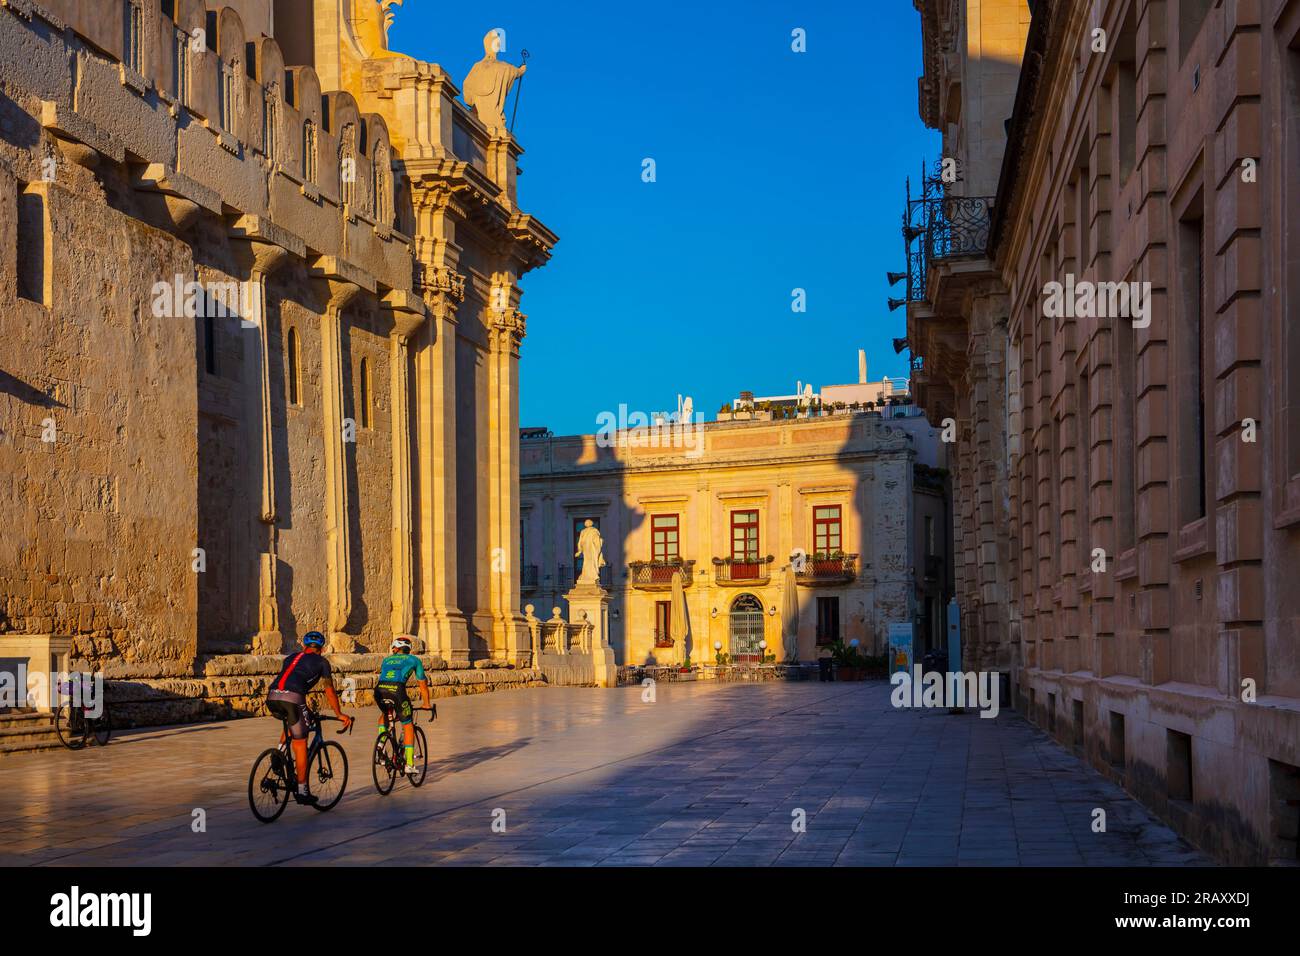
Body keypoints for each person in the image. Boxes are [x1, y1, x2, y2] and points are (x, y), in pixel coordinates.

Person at [265, 631, 353, 804]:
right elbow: (329, 690)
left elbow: (290, 678)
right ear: (322, 648)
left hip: (272, 696)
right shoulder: (322, 662)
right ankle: (302, 790)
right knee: (300, 743)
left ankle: (279, 754)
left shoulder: (290, 658)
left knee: (294, 722)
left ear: (304, 646)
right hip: (293, 698)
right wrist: (339, 714)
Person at [374, 637, 432, 774]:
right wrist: (427, 704)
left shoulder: (386, 660)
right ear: (408, 649)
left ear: (395, 648)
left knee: (385, 715)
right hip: (397, 691)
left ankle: (380, 745)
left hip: (379, 690)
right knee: (407, 725)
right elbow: (422, 685)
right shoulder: (414, 660)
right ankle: (410, 764)